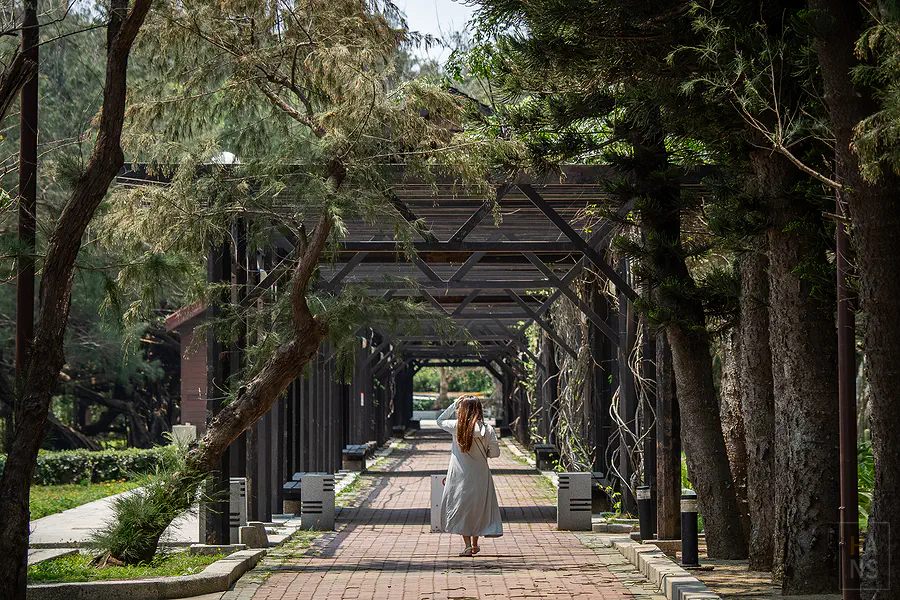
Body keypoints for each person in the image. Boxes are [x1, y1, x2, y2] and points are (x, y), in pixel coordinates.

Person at [436, 395, 503, 557]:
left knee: (462, 507)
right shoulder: (487, 429)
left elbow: (440, 420)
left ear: (462, 409)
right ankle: (475, 543)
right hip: (481, 474)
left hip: (460, 475)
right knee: (478, 506)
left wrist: (454, 404)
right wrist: (485, 452)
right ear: (479, 409)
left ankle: (467, 546)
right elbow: (495, 453)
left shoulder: (456, 426)